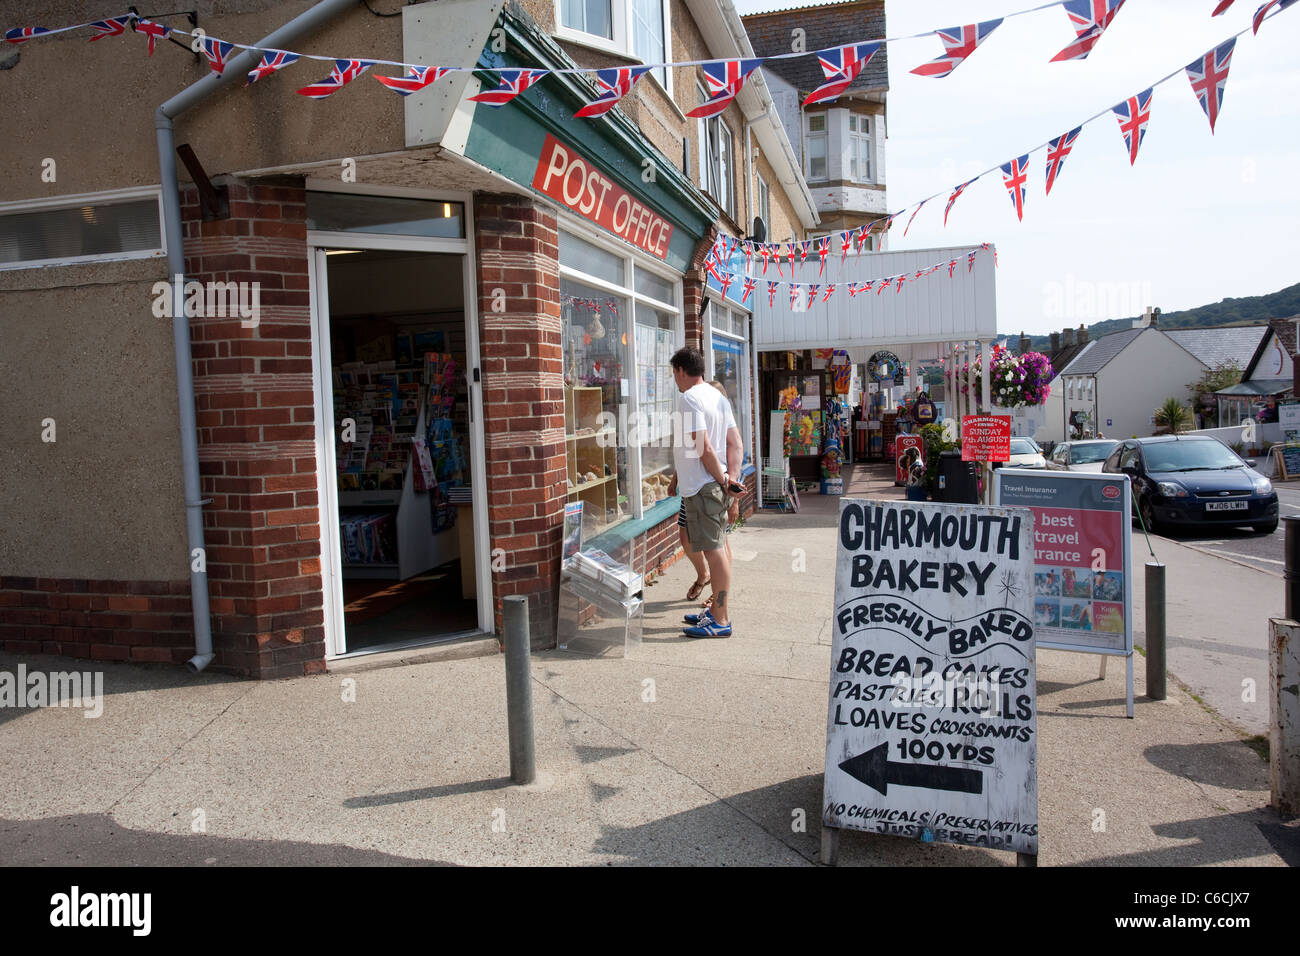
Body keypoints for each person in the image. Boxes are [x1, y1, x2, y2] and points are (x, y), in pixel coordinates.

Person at [667, 348, 738, 638]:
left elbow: (703, 447)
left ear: (682, 370)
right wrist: (730, 478)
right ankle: (714, 613)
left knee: (714, 550)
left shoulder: (689, 398)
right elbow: (736, 444)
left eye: (674, 373)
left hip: (702, 486)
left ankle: (720, 620)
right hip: (710, 485)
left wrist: (722, 479)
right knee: (717, 546)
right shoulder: (718, 398)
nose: (675, 380)